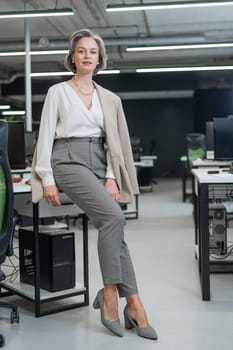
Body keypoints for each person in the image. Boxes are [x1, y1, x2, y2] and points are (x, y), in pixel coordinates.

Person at [31, 28, 158, 340]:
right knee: (114, 218)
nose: (87, 55)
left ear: (100, 58)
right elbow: (45, 135)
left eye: (92, 51)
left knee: (113, 227)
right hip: (67, 157)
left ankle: (133, 302)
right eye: (81, 50)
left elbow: (111, 143)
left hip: (99, 163)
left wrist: (112, 176)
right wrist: (46, 177)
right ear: (72, 58)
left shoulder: (109, 98)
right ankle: (114, 295)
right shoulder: (58, 92)